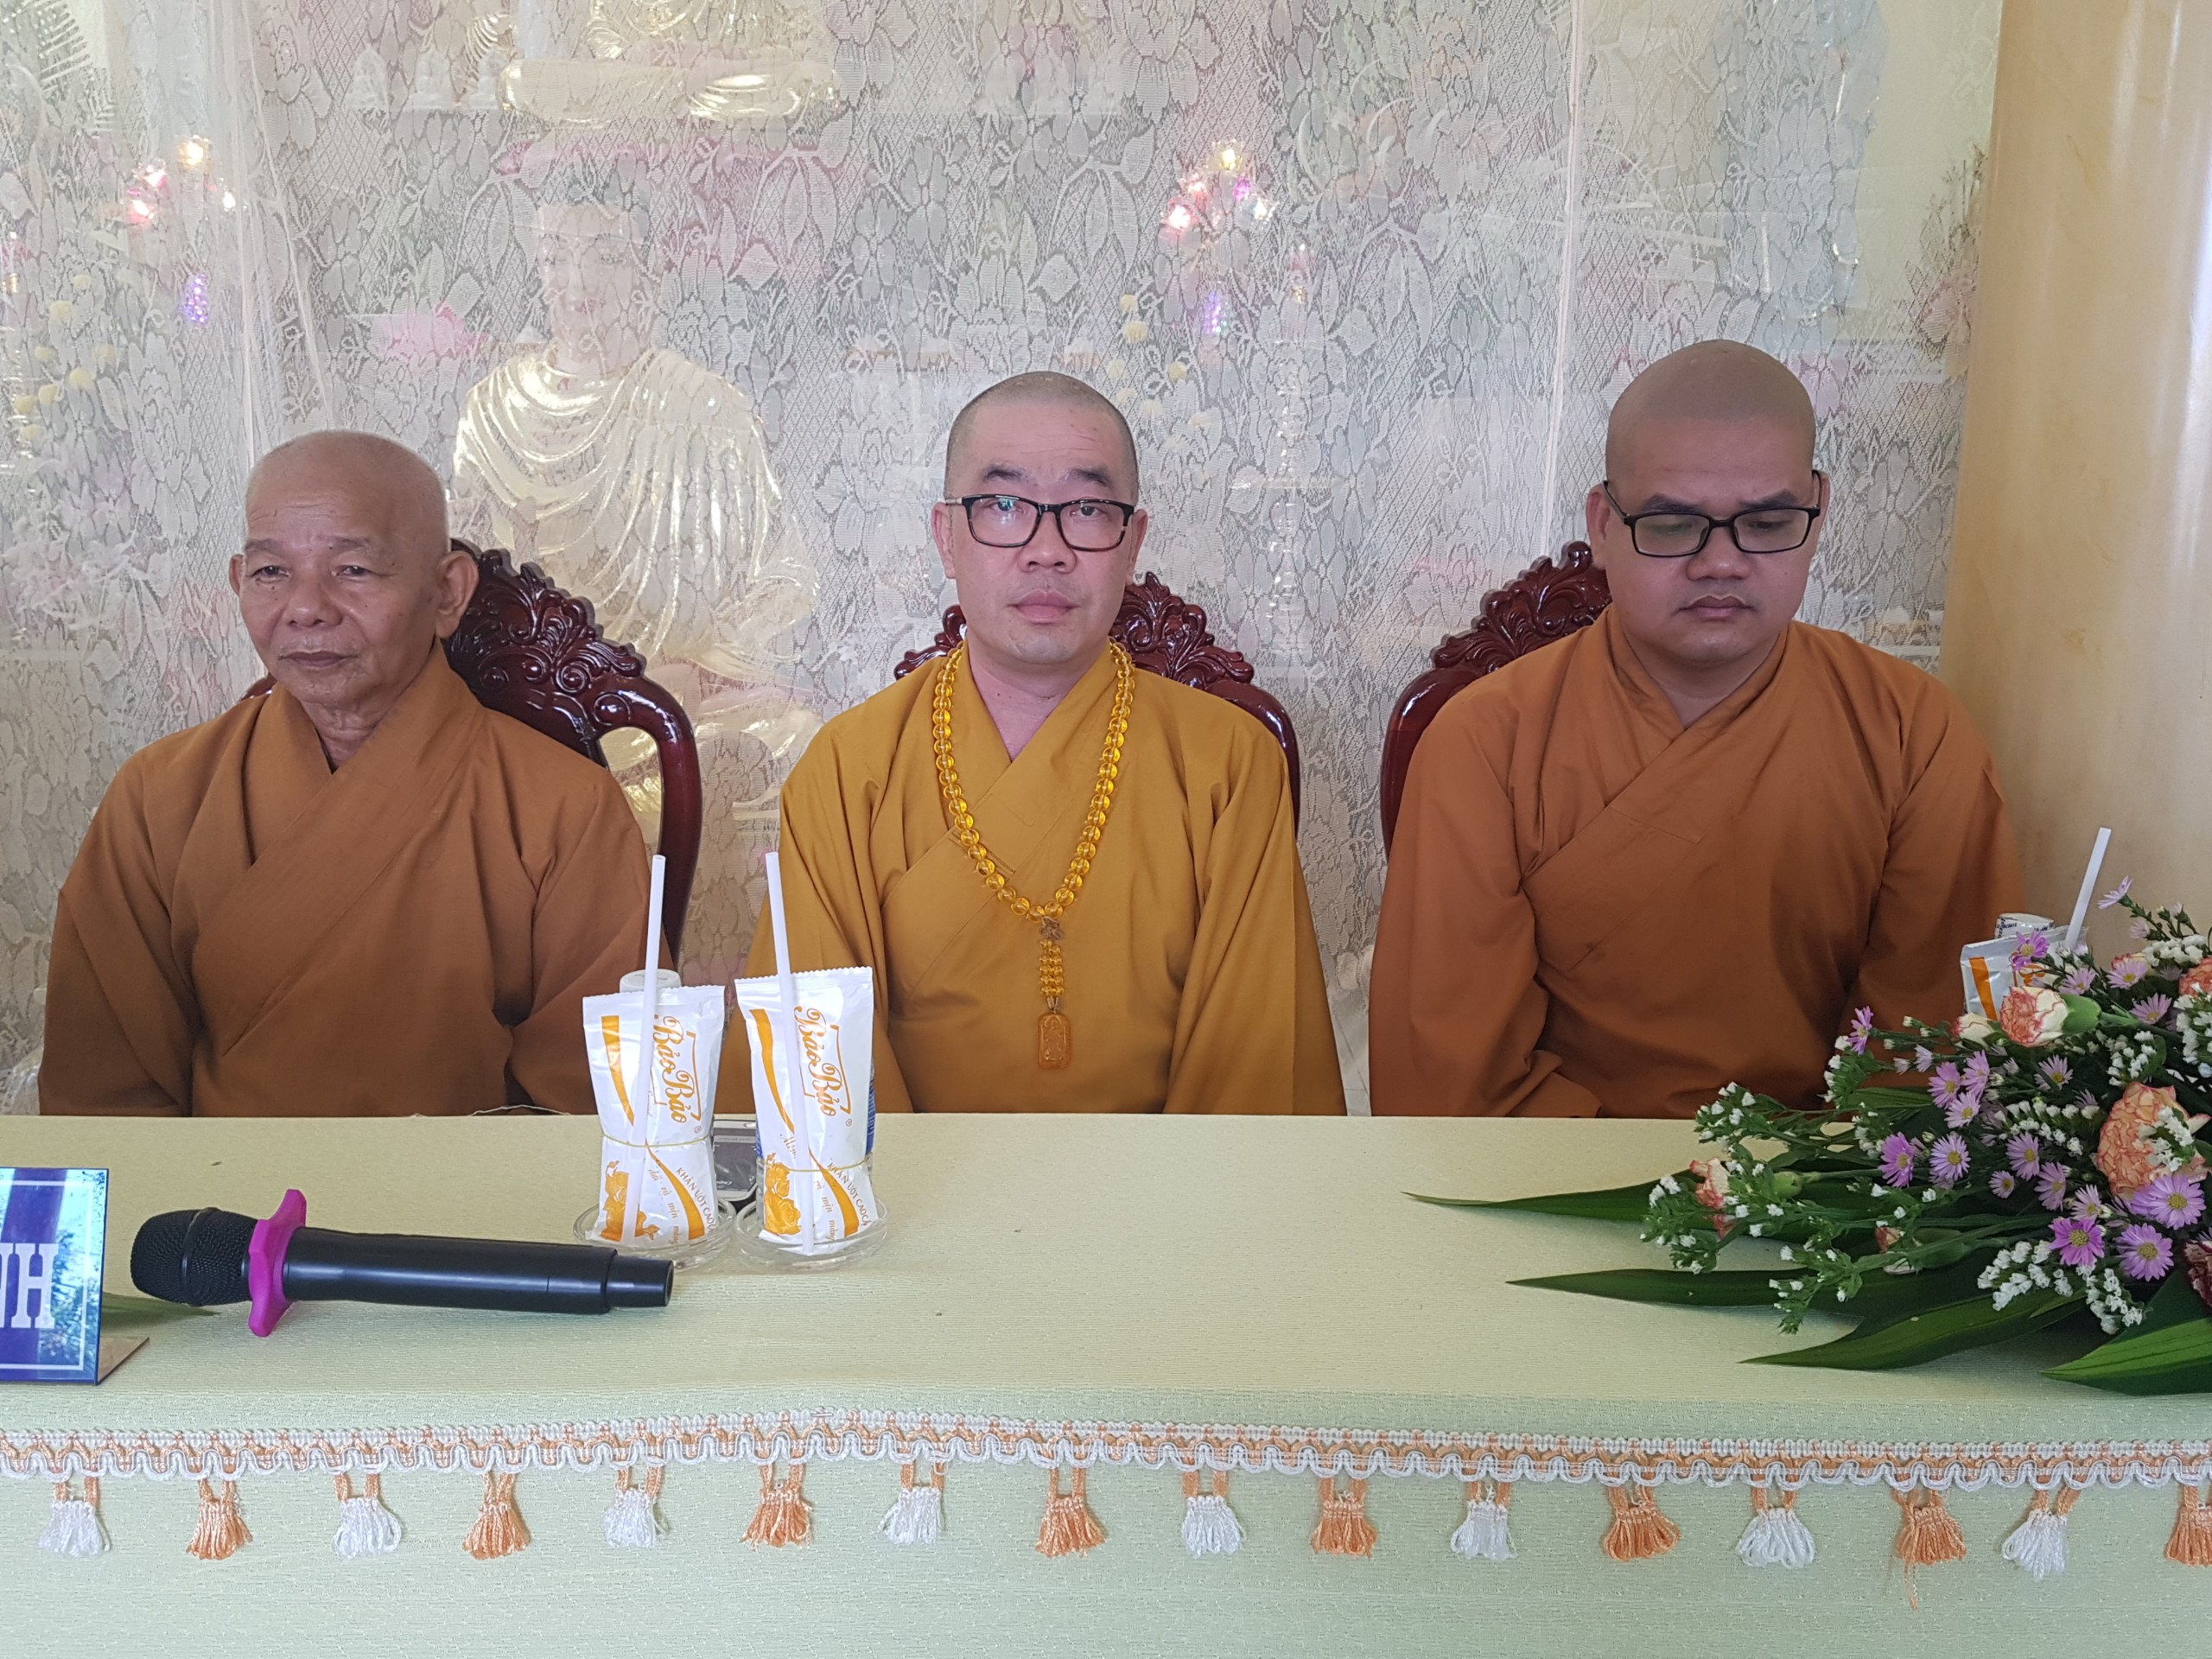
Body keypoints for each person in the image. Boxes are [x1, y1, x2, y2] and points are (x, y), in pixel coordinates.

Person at [1370, 340, 2022, 1118]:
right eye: (1675, 524)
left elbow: (1927, 1058)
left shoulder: (1913, 732)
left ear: (1817, 514)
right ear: (1603, 524)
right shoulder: (1486, 742)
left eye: (1768, 521)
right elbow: (1455, 1072)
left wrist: (1790, 1183)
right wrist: (1640, 1189)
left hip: (1820, 1179)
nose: (1721, 563)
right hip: (1553, 1176)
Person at [741, 372, 1344, 1114]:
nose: (1046, 550)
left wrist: (1172, 1192)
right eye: (1003, 505)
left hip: (1163, 1183)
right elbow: (818, 1073)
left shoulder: (1227, 764)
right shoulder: (847, 768)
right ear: (947, 537)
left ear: (1133, 543)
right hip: (911, 1181)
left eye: (1087, 509)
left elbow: (1252, 1066)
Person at [40, 432, 651, 1116]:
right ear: (239, 582)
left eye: (353, 570)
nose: (305, 608)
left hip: (466, 1186)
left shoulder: (567, 808)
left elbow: (589, 1106)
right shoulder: (158, 795)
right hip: (219, 1186)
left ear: (446, 592)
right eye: (272, 573)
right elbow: (103, 1095)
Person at [451, 168, 819, 981]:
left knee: (794, 741)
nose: (577, 280)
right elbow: (463, 586)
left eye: (605, 255)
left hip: (684, 699)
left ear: (647, 269)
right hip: (526, 708)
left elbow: (781, 575)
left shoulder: (705, 408)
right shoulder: (495, 408)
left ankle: (713, 991)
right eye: (556, 255)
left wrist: (698, 669)